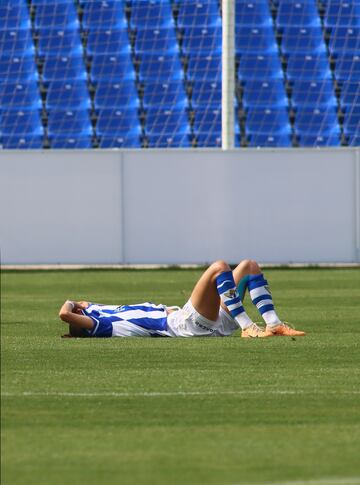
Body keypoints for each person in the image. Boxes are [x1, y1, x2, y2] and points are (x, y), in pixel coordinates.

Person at [58, 259, 306, 339]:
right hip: (183, 324)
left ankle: (274, 324)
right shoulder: (100, 326)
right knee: (219, 267)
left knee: (250, 266)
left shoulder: (98, 311)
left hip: (207, 320)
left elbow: (84, 304)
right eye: (80, 313)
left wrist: (80, 304)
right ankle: (248, 328)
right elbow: (64, 314)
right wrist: (71, 304)